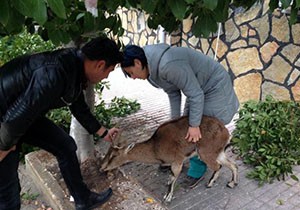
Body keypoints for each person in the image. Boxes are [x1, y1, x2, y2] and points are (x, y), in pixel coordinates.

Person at [0, 37, 123, 210]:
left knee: (65, 146)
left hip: (20, 117)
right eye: (108, 72)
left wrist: (103, 132)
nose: (105, 77)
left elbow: (78, 104)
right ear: (100, 64)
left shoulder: (74, 67)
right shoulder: (54, 72)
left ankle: (83, 200)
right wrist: (4, 147)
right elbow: (17, 116)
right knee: (8, 194)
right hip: (6, 122)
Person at [120, 43, 239, 188]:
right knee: (185, 127)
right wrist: (174, 124)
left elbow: (195, 95)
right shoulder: (151, 70)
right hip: (198, 89)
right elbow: (173, 92)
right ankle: (177, 159)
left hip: (215, 88)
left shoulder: (168, 65)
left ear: (137, 63)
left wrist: (194, 125)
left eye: (131, 72)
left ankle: (198, 170)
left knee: (201, 130)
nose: (132, 78)